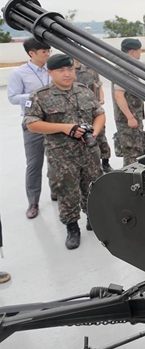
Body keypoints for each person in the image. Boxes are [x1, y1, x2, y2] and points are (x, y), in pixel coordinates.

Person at [23, 54, 105, 249]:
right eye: (61, 71)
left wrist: (93, 133)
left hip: (89, 153)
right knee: (66, 191)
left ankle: (93, 219)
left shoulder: (84, 91)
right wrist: (63, 127)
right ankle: (72, 228)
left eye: (70, 70)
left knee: (93, 187)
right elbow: (32, 124)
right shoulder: (40, 96)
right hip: (62, 156)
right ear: (50, 72)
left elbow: (99, 115)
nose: (67, 74)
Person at [6, 38, 55, 219]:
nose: (48, 55)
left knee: (57, 159)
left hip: (55, 122)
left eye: (49, 51)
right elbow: (13, 97)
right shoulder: (19, 73)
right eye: (44, 52)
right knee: (34, 164)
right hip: (33, 124)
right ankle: (33, 202)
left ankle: (55, 191)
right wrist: (36, 97)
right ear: (31, 53)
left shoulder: (53, 70)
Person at [112, 38, 145, 166]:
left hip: (133, 119)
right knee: (132, 155)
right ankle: (130, 183)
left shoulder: (127, 67)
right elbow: (118, 95)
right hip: (128, 122)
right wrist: (130, 117)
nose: (140, 54)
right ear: (133, 52)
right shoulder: (123, 69)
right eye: (139, 51)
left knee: (137, 151)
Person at [74, 59, 113, 172]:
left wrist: (101, 99)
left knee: (101, 136)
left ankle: (105, 162)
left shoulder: (90, 69)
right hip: (77, 111)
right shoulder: (69, 70)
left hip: (93, 109)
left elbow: (98, 85)